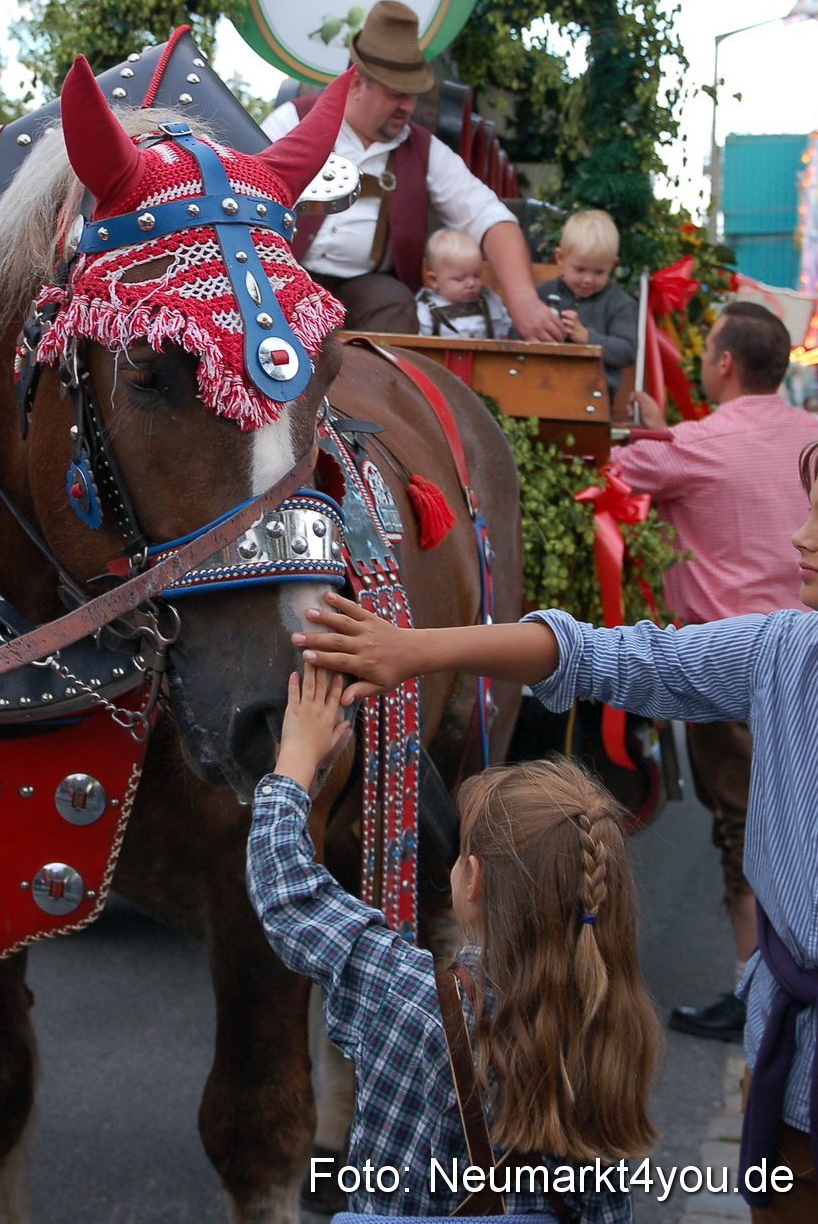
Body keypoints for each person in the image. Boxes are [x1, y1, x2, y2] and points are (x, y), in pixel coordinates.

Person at [293, 445, 818, 1219]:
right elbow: (613, 656)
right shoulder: (785, 648)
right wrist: (412, 649)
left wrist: (285, 783)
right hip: (795, 1062)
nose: (800, 538)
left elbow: (289, 897)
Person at [247, 666, 655, 1220]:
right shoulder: (611, 1022)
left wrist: (295, 759)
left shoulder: (410, 996)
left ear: (475, 880)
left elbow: (289, 893)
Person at [613, 301, 816, 1045]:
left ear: (723, 364)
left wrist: (648, 420)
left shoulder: (695, 444)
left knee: (744, 826)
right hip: (810, 652)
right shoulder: (810, 434)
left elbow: (611, 469)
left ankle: (755, 993)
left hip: (730, 669)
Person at [261, 0, 562, 341]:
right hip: (287, 275)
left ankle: (382, 394)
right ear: (357, 84)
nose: (407, 106)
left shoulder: (423, 149)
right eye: (395, 94)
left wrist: (523, 299)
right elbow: (239, 189)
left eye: (412, 95)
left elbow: (488, 216)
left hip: (367, 291)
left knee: (396, 303)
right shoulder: (291, 120)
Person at [534, 211, 637, 398]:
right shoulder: (541, 294)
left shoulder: (619, 304)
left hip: (593, 396)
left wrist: (588, 337)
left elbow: (626, 352)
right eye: (580, 269)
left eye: (599, 272)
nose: (588, 279)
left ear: (612, 265)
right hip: (540, 386)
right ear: (560, 258)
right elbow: (516, 333)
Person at [415, 227, 513, 339]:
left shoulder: (490, 302)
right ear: (434, 280)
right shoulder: (425, 312)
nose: (471, 283)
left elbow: (505, 335)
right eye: (460, 278)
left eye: (476, 275)